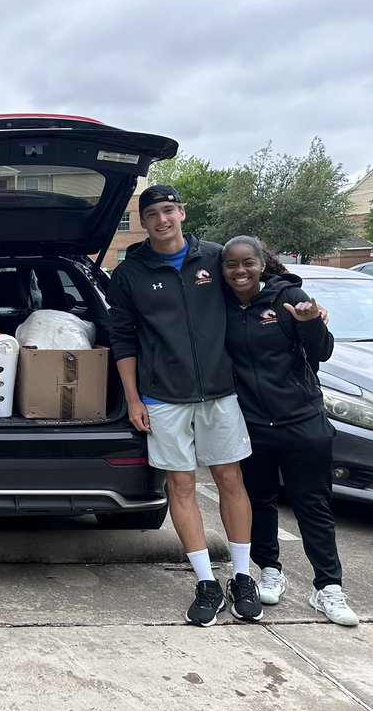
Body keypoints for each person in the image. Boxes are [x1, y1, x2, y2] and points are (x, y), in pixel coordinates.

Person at [108, 184, 262, 626]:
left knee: (231, 479)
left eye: (169, 210)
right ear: (143, 220)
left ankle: (241, 576)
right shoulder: (130, 273)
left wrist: (305, 304)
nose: (162, 220)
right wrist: (134, 398)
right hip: (162, 398)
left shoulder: (216, 257)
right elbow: (123, 339)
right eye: (153, 213)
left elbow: (263, 279)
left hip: (219, 392)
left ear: (183, 213)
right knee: (180, 485)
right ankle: (205, 583)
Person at [221, 236, 359, 626]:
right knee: (261, 501)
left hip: (302, 421)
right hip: (252, 424)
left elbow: (321, 352)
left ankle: (328, 586)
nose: (240, 271)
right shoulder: (221, 305)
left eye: (248, 263)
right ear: (224, 269)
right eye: (232, 265)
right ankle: (270, 570)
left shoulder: (289, 297)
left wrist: (311, 322)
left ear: (262, 264)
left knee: (312, 504)